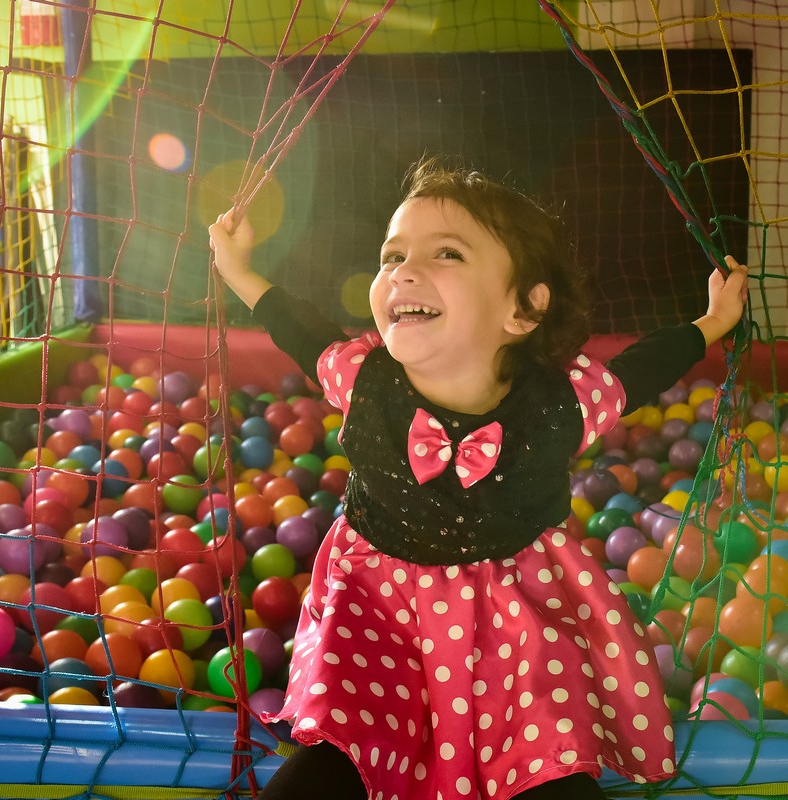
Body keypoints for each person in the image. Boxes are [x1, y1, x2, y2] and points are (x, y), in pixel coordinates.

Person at [208, 157, 749, 800]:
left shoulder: (560, 406)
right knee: (332, 765)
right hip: (378, 623)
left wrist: (711, 323)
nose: (404, 270)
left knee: (549, 770)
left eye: (447, 254)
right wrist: (239, 271)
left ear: (523, 308)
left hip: (512, 629)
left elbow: (640, 369)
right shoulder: (362, 379)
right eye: (392, 255)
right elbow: (301, 328)